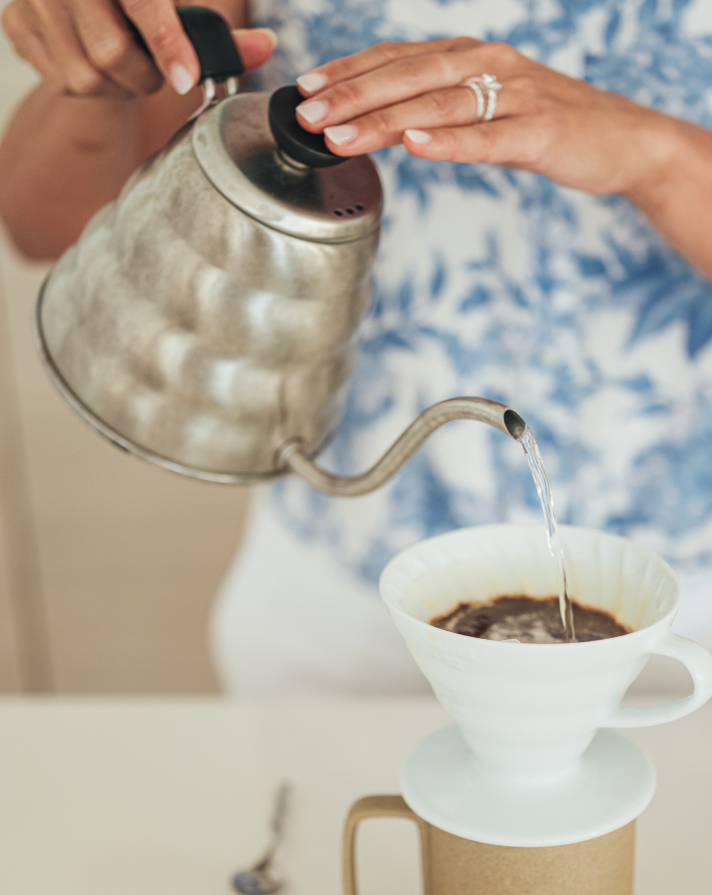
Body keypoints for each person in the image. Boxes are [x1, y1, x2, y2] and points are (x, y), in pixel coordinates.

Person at [3, 0, 712, 695]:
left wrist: (658, 156)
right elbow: (53, 224)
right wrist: (96, 68)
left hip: (684, 618)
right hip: (345, 610)